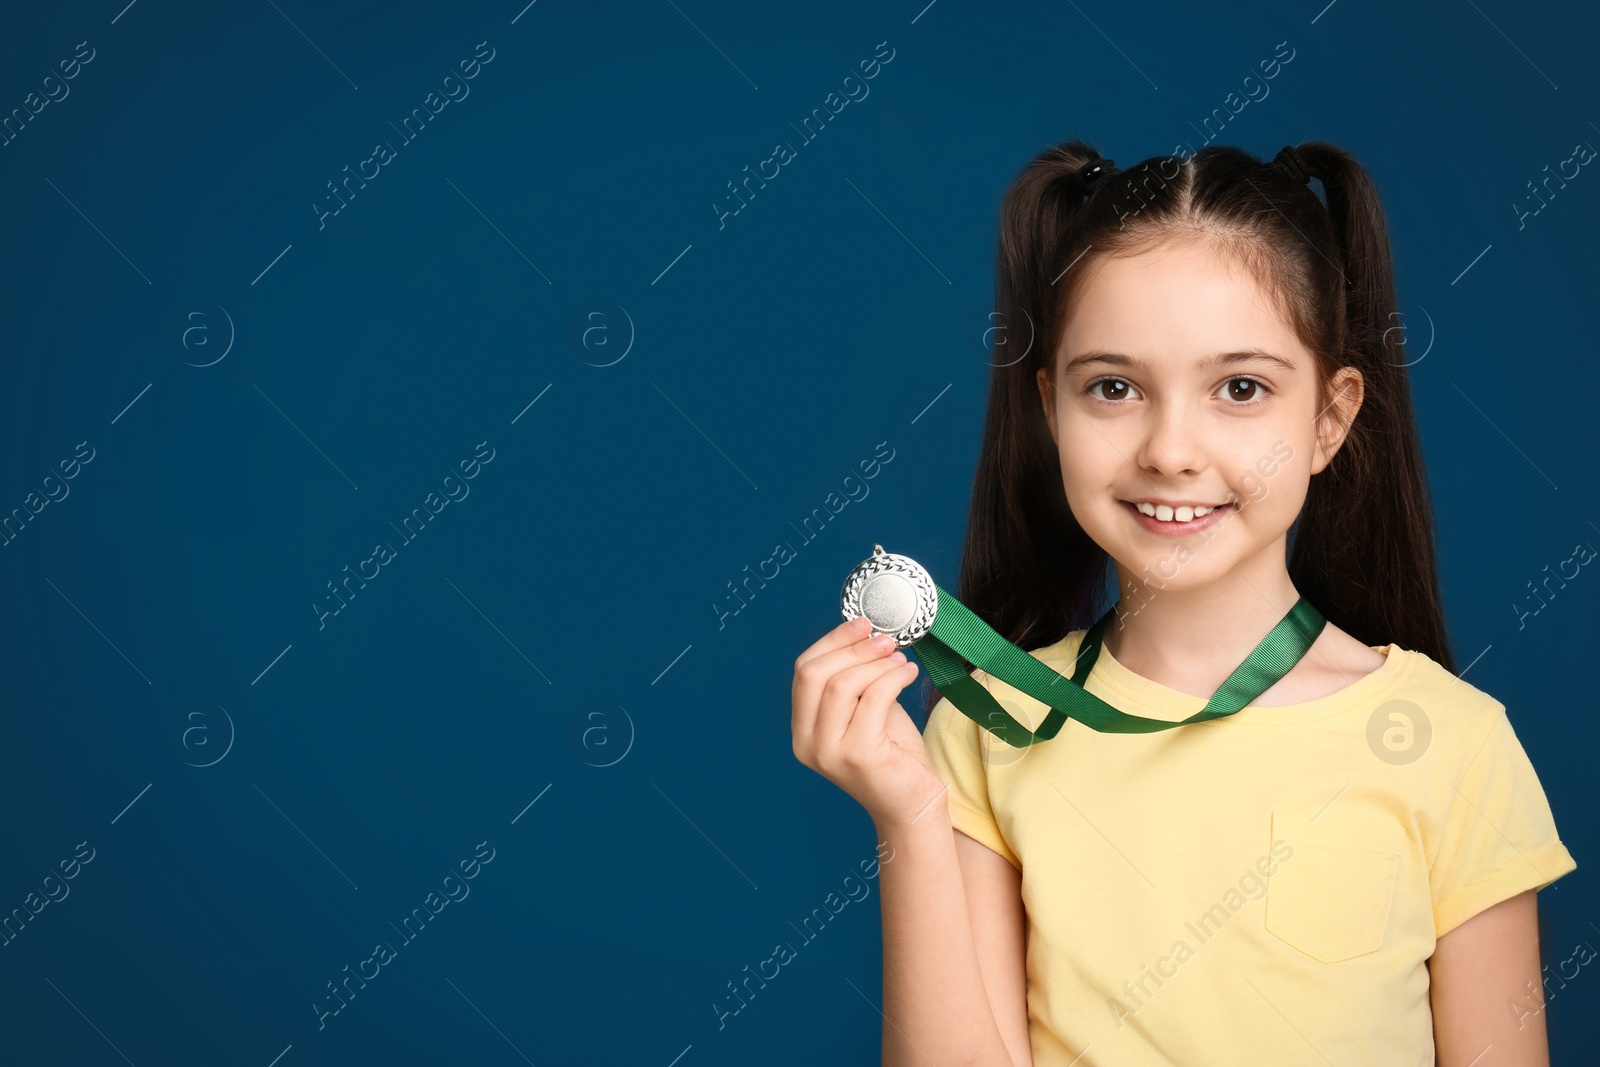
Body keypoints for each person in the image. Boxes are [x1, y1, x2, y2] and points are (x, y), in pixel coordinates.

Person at [790, 140, 1578, 1066]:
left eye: (1239, 388)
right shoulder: (988, 727)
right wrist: (910, 822)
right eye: (1114, 387)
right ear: (1051, 410)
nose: (1171, 449)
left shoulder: (1453, 743)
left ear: (1329, 419)